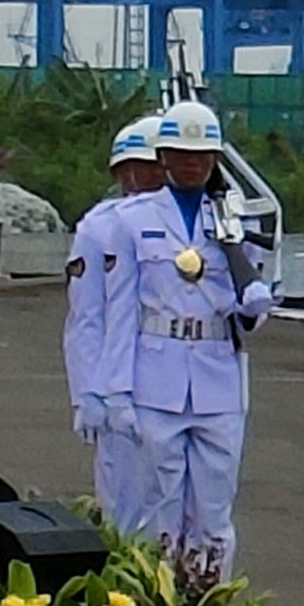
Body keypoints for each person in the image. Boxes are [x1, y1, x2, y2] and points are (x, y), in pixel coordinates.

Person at [92, 101, 273, 575]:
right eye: (181, 153)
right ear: (164, 157)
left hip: (217, 370)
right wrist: (115, 390)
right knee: (160, 505)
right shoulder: (132, 220)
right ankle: (161, 603)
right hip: (156, 371)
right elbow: (119, 310)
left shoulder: (237, 217)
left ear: (215, 159)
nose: (193, 162)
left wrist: (253, 298)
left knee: (215, 506)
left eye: (202, 154)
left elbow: (251, 303)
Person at [64, 116, 162, 530]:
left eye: (151, 165)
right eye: (131, 167)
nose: (137, 177)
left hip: (175, 376)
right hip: (116, 382)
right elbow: (86, 318)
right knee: (125, 507)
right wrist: (87, 392)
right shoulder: (99, 227)